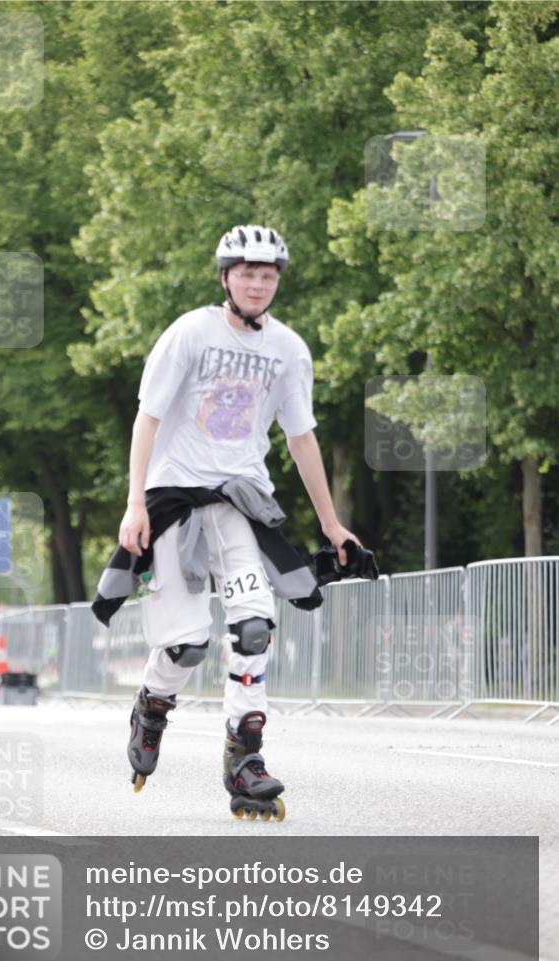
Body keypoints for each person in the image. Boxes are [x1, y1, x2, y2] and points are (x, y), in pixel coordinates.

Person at [99, 224, 361, 820]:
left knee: (253, 630)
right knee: (188, 644)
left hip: (242, 503)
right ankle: (153, 705)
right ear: (225, 277)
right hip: (173, 501)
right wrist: (134, 503)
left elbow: (301, 438)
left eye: (267, 275)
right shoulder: (190, 332)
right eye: (246, 273)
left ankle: (245, 757)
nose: (256, 283)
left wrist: (331, 524)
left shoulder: (289, 350)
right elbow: (147, 419)